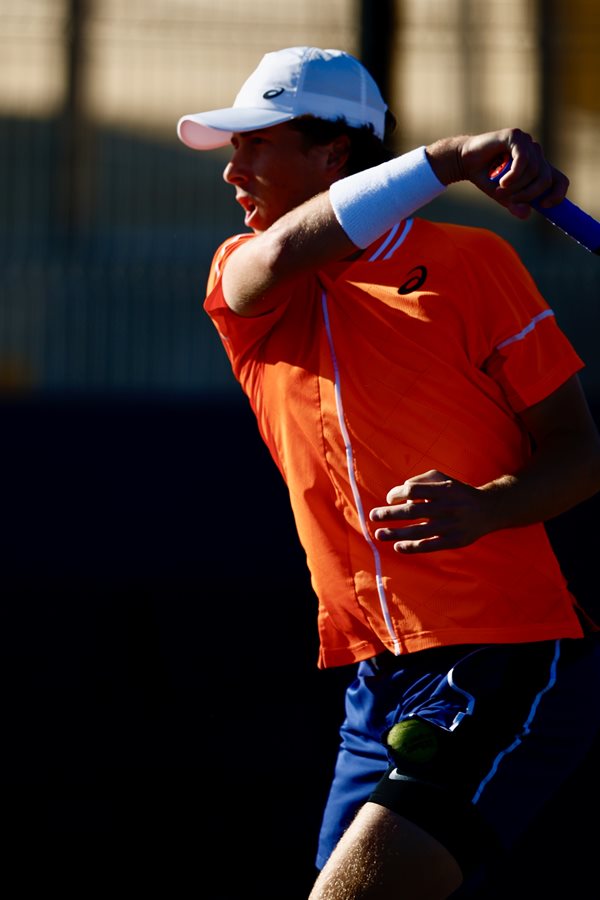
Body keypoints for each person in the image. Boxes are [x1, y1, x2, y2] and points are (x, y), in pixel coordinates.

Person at [177, 46, 600, 899]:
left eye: (257, 144)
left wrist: (487, 508)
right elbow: (288, 250)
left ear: (335, 152)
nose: (233, 170)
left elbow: (579, 454)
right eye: (233, 147)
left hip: (504, 652)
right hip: (379, 678)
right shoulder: (243, 271)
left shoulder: (476, 263)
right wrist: (449, 159)